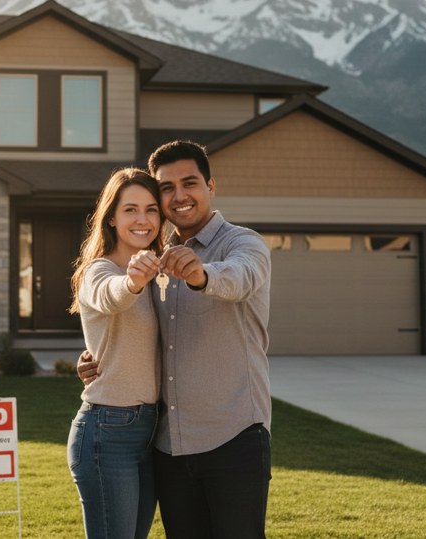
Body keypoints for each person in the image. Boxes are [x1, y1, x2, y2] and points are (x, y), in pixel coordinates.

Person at [78, 141, 272, 539]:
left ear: (210, 186)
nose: (179, 196)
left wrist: (202, 276)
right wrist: (98, 355)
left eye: (190, 183)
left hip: (233, 438)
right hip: (167, 446)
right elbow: (116, 306)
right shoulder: (155, 259)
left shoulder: (243, 243)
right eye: (167, 188)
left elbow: (241, 277)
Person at [66, 167, 166, 539]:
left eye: (152, 209)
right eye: (131, 209)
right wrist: (133, 281)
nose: (143, 219)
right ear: (111, 217)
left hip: (151, 432)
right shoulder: (99, 270)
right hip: (107, 433)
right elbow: (110, 295)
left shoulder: (160, 273)